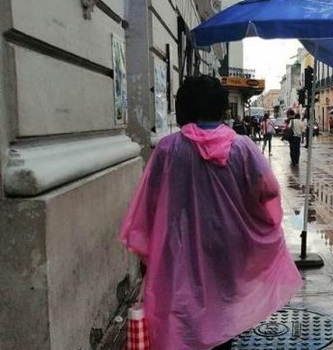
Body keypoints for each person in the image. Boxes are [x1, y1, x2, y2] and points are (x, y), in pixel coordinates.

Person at [119, 76, 302, 350]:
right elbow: (268, 190)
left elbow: (150, 202)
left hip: (180, 249)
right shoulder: (242, 148)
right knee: (223, 314)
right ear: (221, 108)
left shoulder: (169, 149)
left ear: (184, 107)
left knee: (183, 313)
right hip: (229, 247)